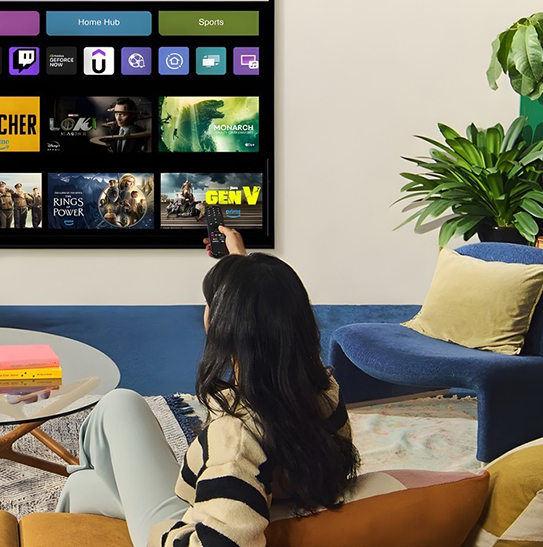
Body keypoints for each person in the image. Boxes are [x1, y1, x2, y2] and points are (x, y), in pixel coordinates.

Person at [56, 227, 358, 547]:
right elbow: (268, 313)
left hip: (190, 521)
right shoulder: (323, 388)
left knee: (117, 405)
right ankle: (78, 492)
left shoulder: (237, 435)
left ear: (226, 326)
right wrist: (240, 263)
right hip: (263, 496)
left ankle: (77, 496)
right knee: (82, 487)